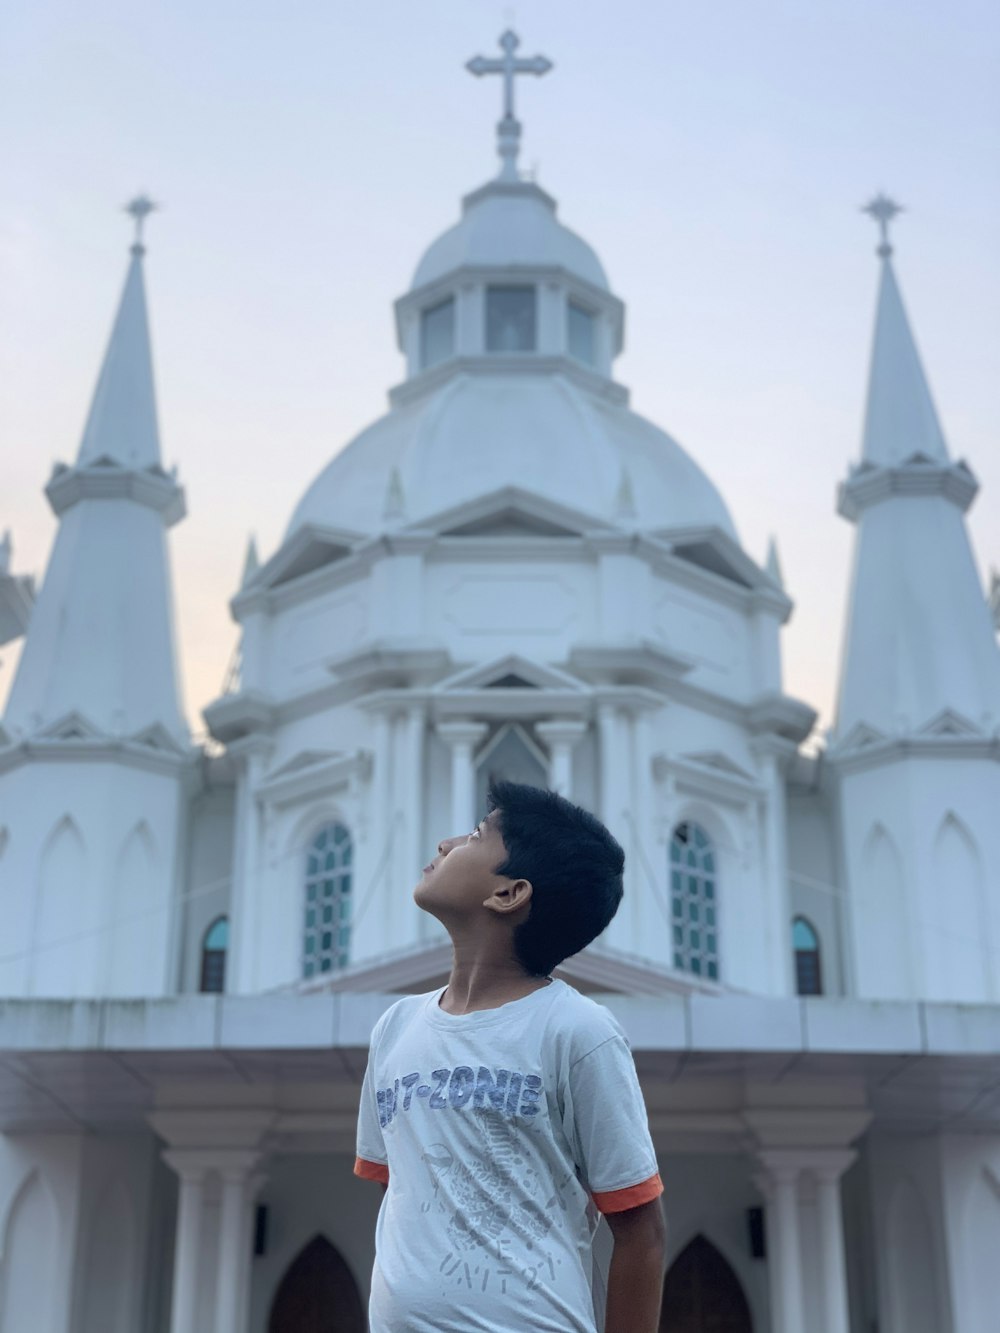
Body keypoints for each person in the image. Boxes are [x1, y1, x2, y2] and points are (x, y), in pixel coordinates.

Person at [354, 780, 666, 1332]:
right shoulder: (395, 1029)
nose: (448, 845)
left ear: (508, 893)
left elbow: (641, 1232)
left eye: (475, 836)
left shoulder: (578, 1031)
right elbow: (403, 1189)